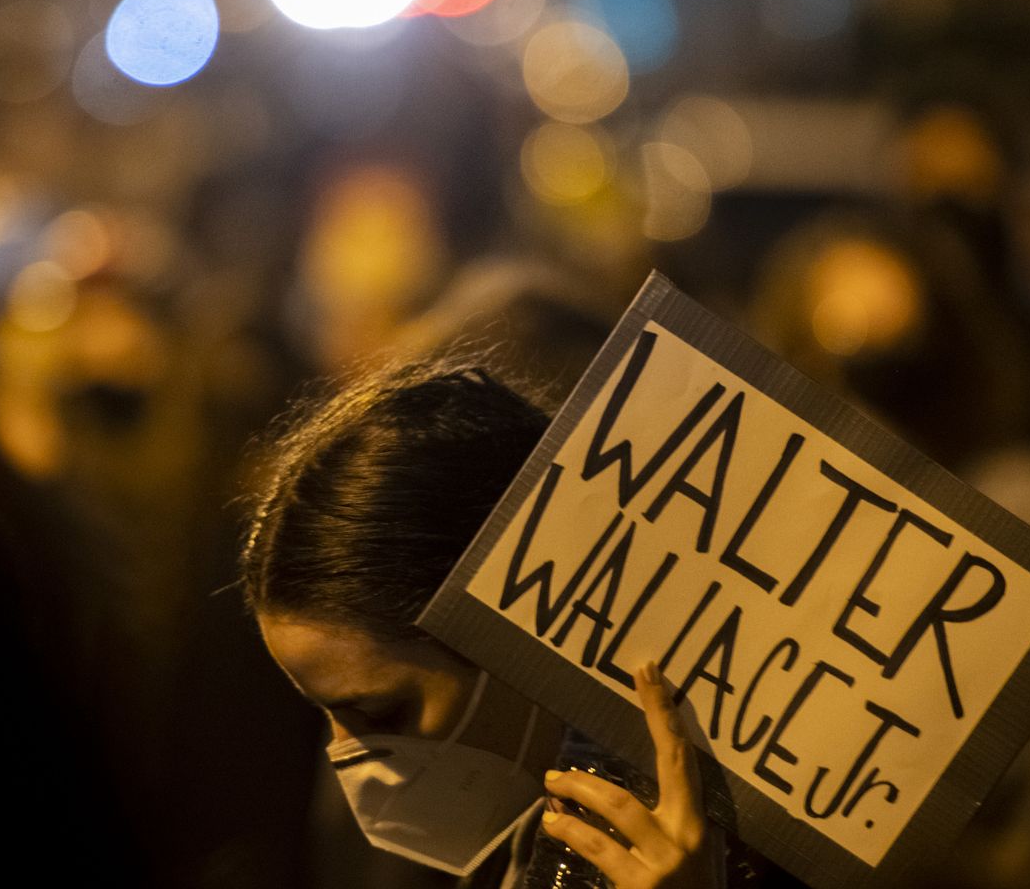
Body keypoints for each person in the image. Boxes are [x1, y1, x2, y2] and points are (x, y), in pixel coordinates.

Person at [239, 358, 724, 888]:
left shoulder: (750, 848)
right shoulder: (492, 848)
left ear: (515, 635)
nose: (350, 755)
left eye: (384, 710)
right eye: (325, 715)